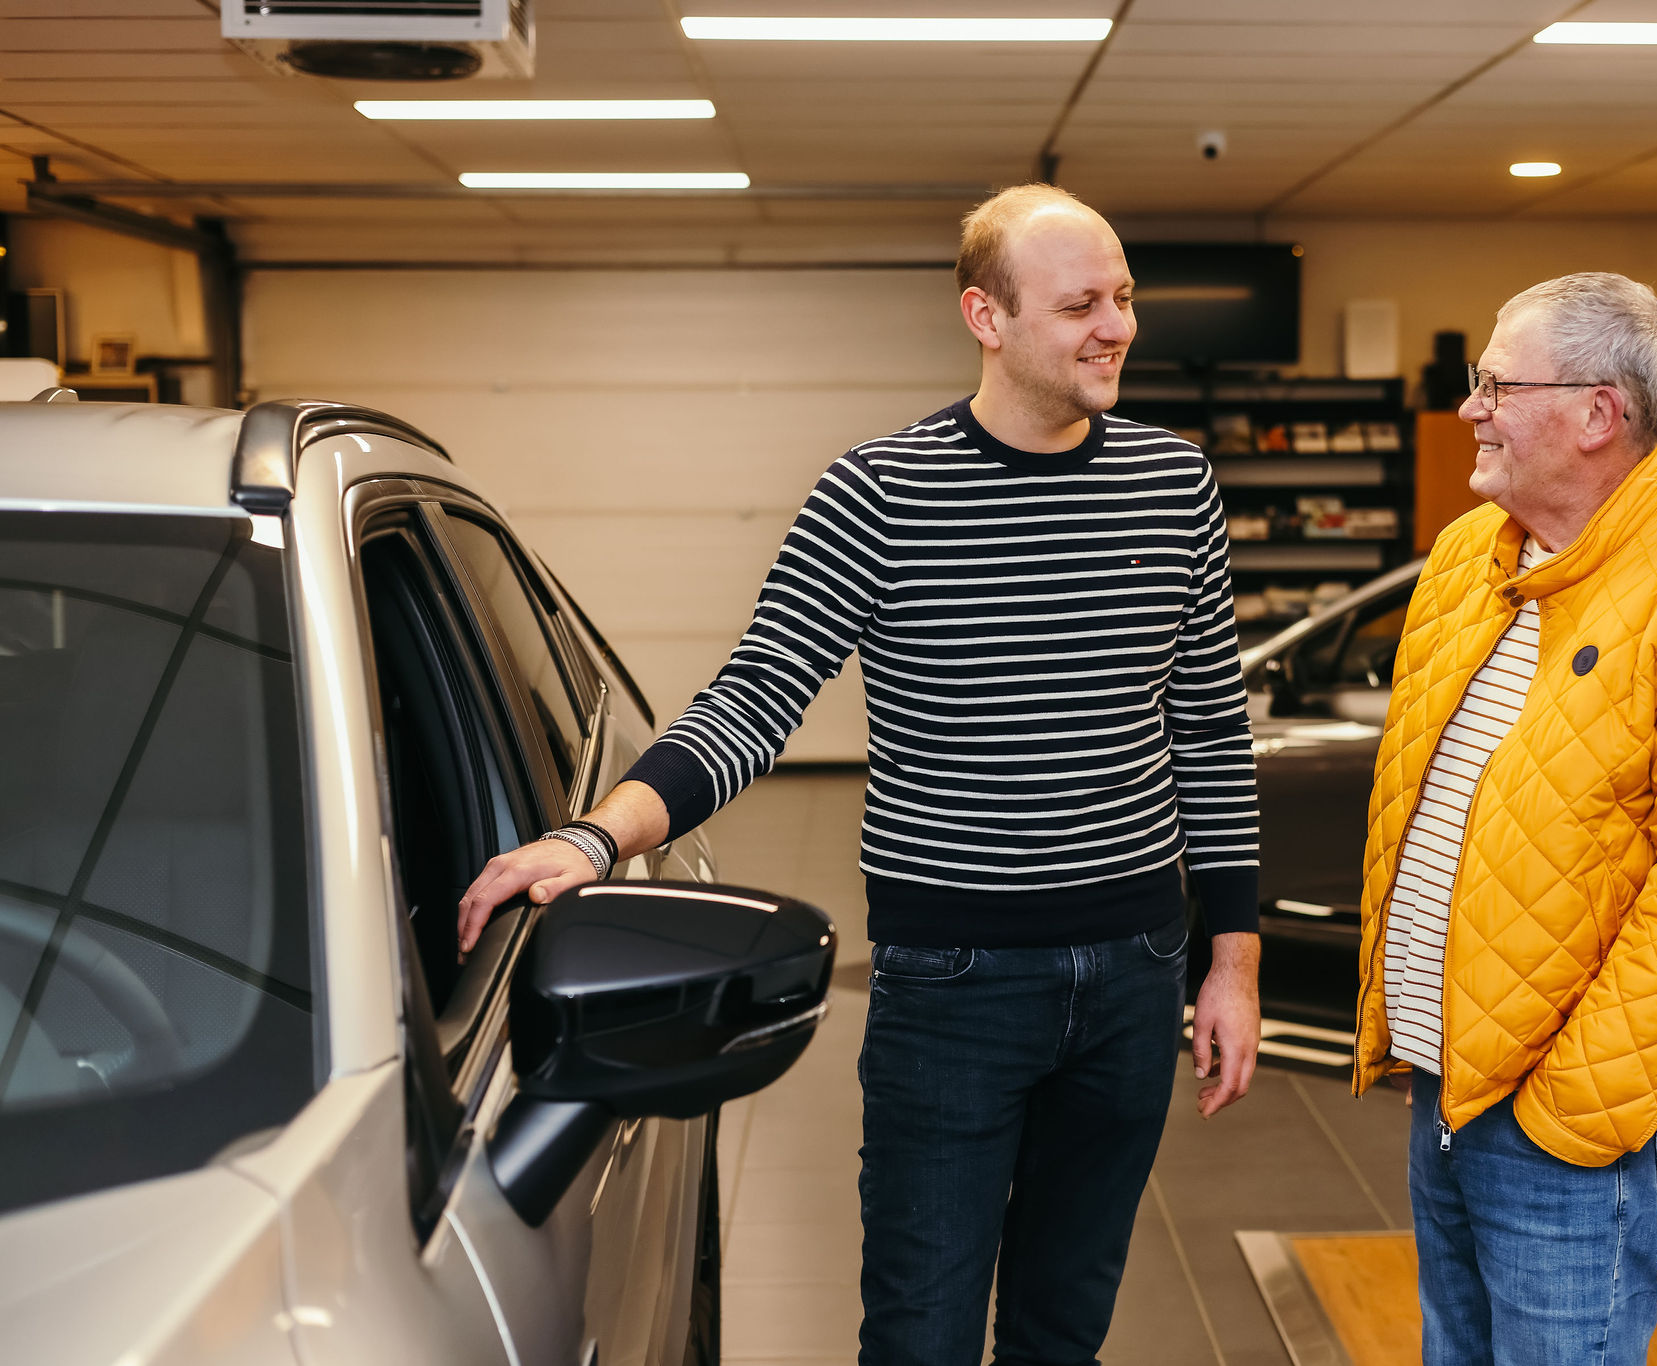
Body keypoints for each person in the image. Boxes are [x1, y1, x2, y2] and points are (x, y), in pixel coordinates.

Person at [457, 182, 1262, 1366]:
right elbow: (754, 697)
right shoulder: (876, 494)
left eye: (1125, 296)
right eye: (1082, 303)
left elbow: (1206, 731)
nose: (1118, 326)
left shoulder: (1173, 483)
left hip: (1135, 968)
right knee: (919, 1332)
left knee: (1064, 1324)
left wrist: (1229, 960)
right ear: (984, 317)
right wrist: (594, 838)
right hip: (954, 980)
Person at [1352, 272, 1657, 1365]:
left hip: (1561, 1122)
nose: (1471, 409)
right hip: (1448, 1090)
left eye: (1495, 386)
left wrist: (1576, 1104)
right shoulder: (1472, 557)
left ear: (1595, 413)